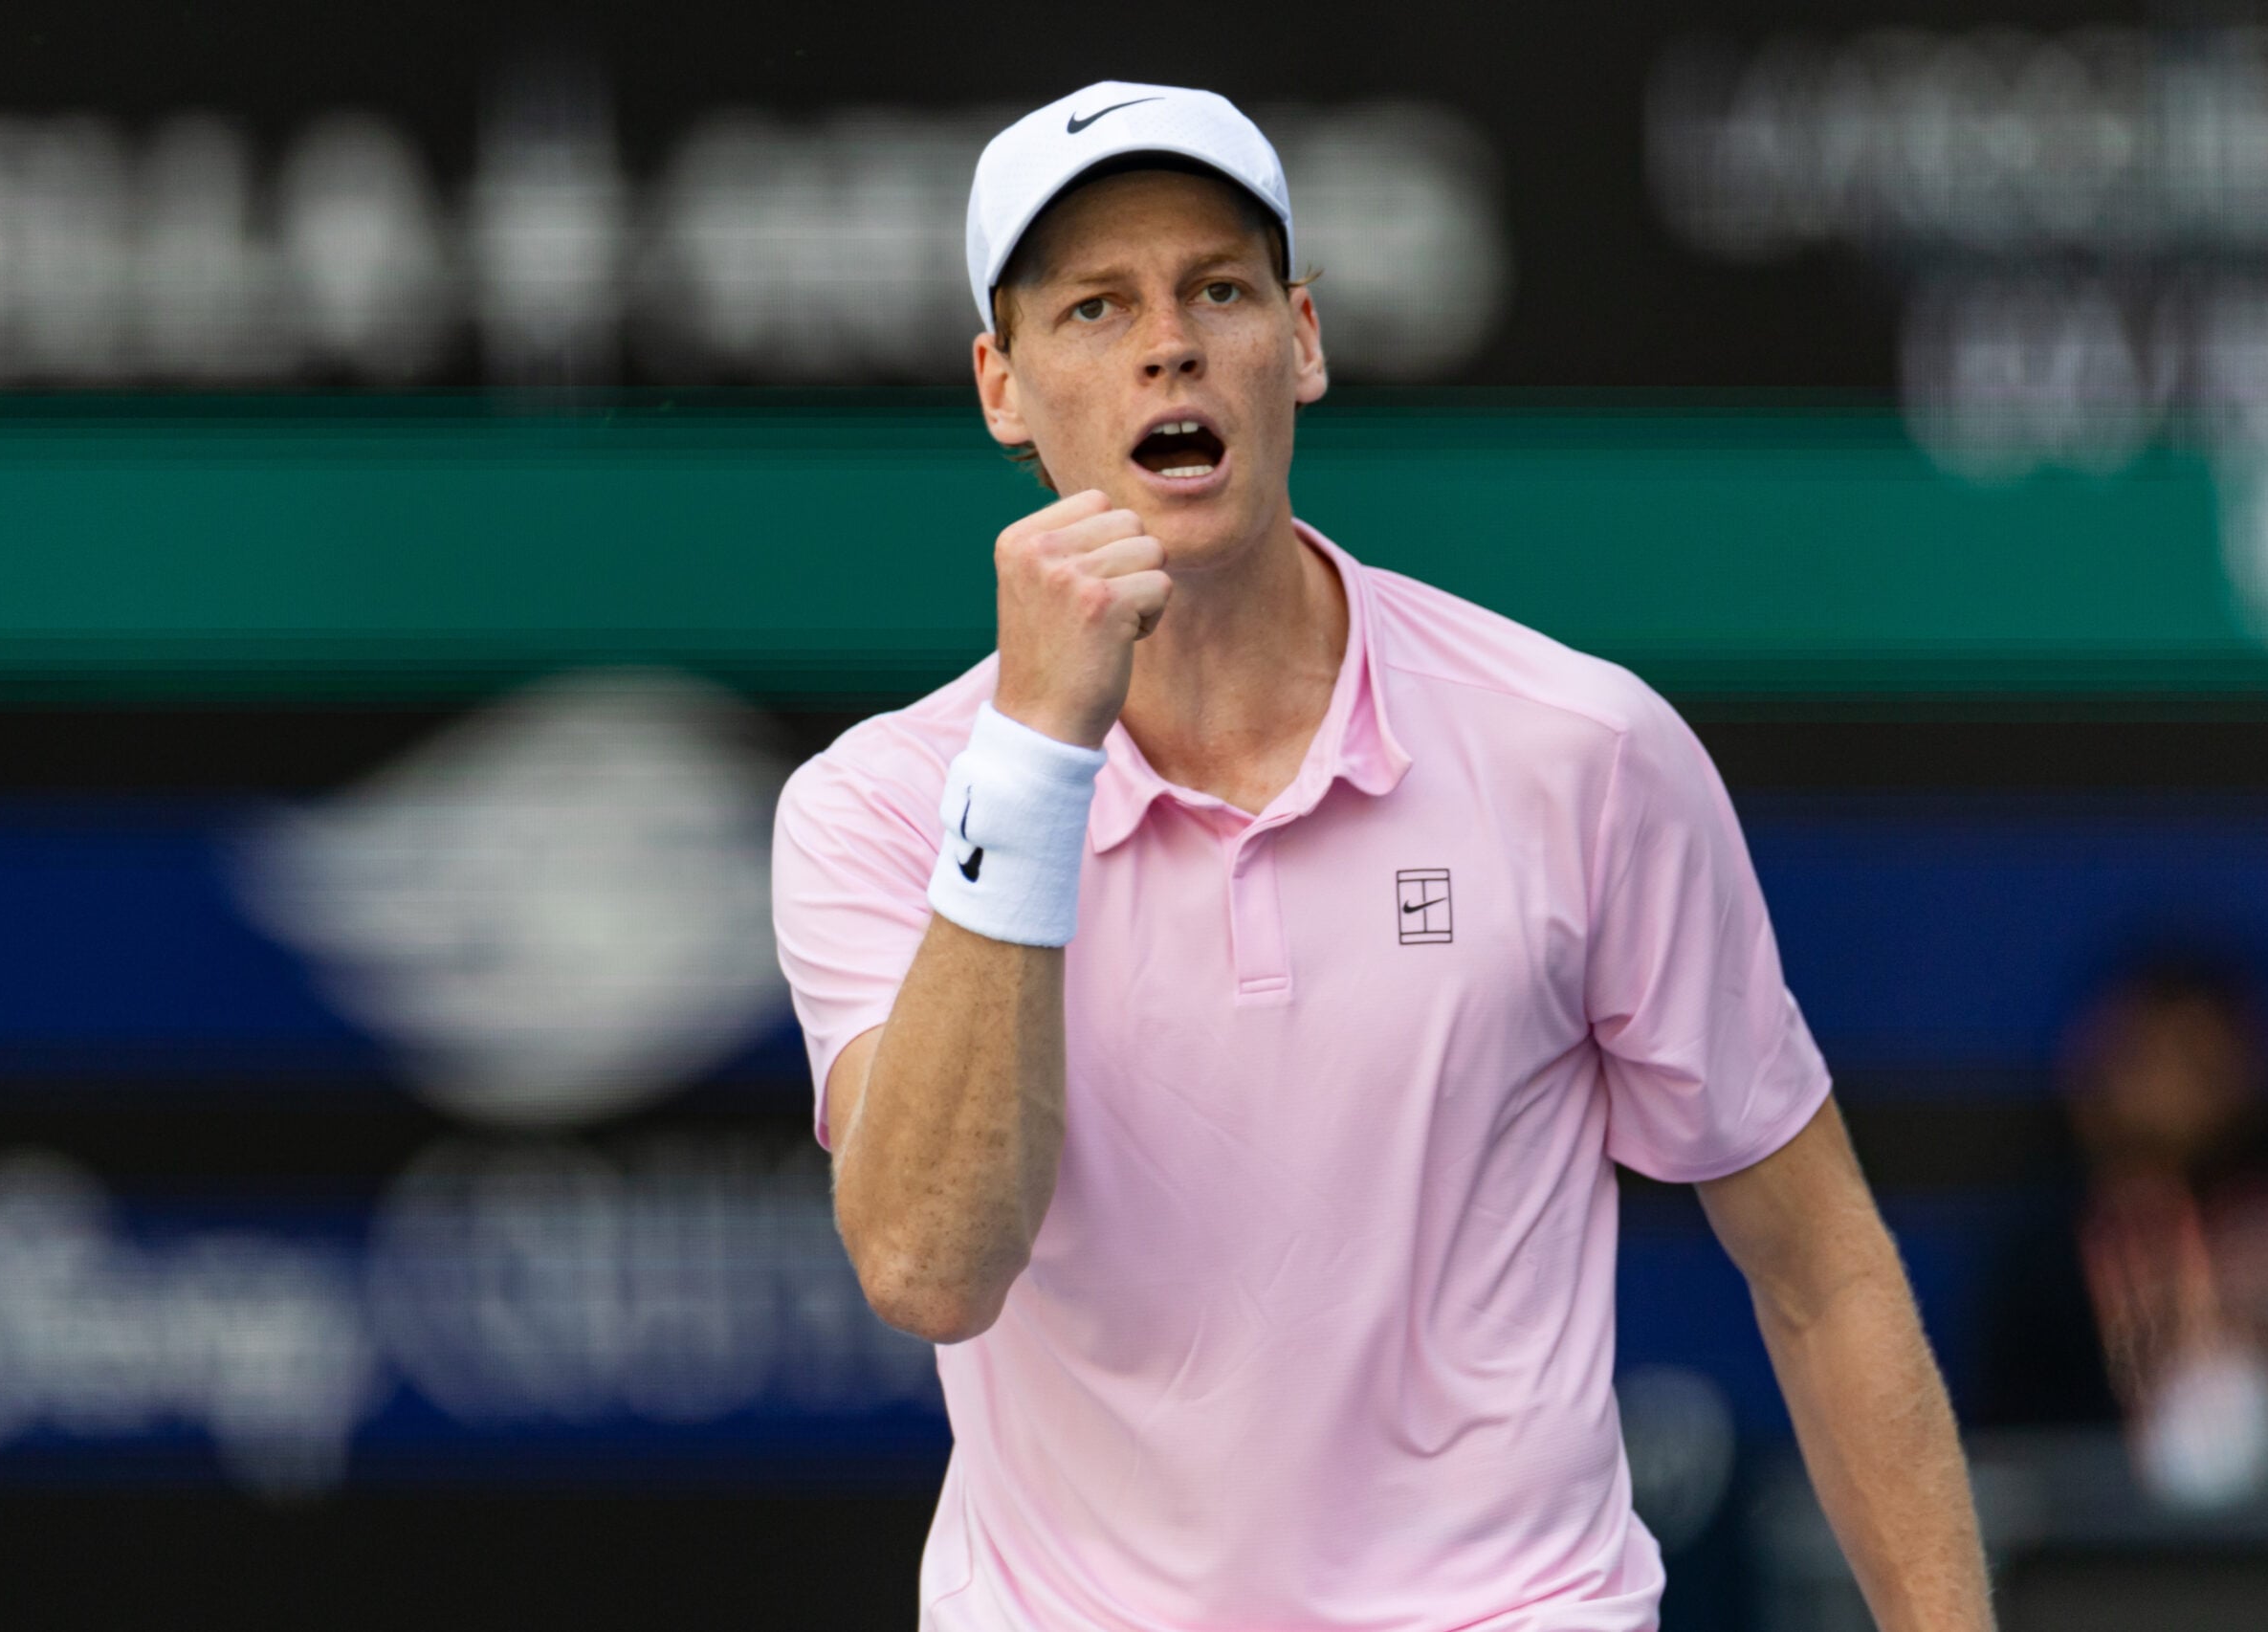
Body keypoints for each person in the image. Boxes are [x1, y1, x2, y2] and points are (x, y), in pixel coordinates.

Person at [772, 81, 1991, 1631]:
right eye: (1096, 306)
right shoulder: (882, 803)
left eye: (1219, 289)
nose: (1170, 343)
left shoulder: (1579, 749)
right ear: (1002, 385)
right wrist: (1032, 761)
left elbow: (1823, 1269)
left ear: (1304, 341)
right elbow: (931, 1267)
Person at [1979, 950, 2268, 1506]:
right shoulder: (2043, 1246)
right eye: (2145, 1059)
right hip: (2088, 1569)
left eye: (2197, 1062)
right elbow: (2009, 1453)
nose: (2170, 1091)